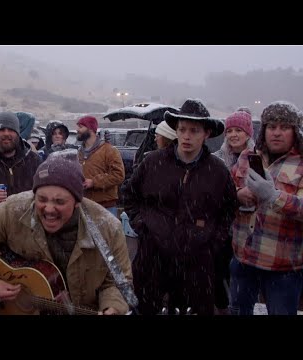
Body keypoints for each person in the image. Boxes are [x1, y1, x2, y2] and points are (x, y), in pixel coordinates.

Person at [0, 150, 133, 315]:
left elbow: (119, 282)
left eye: (60, 202)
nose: (49, 209)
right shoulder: (14, 209)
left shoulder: (108, 228)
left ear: (78, 201)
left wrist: (113, 307)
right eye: (41, 199)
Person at [124, 98, 238, 315]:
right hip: (153, 257)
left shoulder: (218, 171)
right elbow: (130, 195)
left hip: (197, 263)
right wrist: (144, 226)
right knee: (148, 309)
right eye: (182, 129)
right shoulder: (153, 162)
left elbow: (228, 210)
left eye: (194, 130)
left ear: (207, 134)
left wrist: (211, 240)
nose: (186, 136)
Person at [230, 101, 303, 315]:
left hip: (283, 267)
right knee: (237, 311)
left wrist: (273, 196)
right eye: (271, 127)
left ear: (295, 131)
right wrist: (238, 195)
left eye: (284, 127)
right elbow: (227, 188)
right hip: (243, 259)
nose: (276, 133)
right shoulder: (247, 156)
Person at [212, 110, 255, 314]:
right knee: (218, 274)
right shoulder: (217, 159)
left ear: (248, 133)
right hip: (221, 228)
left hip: (250, 230)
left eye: (238, 130)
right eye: (229, 130)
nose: (233, 135)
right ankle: (224, 308)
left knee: (244, 279)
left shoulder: (258, 158)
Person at [76, 115, 125, 217]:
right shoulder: (79, 153)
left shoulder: (109, 150)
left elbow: (118, 175)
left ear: (90, 129)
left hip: (106, 208)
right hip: (84, 206)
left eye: (80, 127)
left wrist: (94, 182)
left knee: (107, 233)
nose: (77, 130)